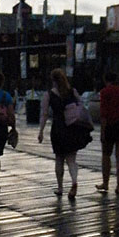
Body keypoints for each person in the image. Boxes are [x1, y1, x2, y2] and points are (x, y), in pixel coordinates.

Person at [38, 68, 92, 199]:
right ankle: (74, 181)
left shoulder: (49, 95)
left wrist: (41, 131)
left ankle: (60, 187)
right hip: (72, 127)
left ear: (52, 80)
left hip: (58, 128)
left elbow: (44, 114)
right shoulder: (72, 91)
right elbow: (81, 106)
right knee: (71, 159)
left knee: (59, 159)